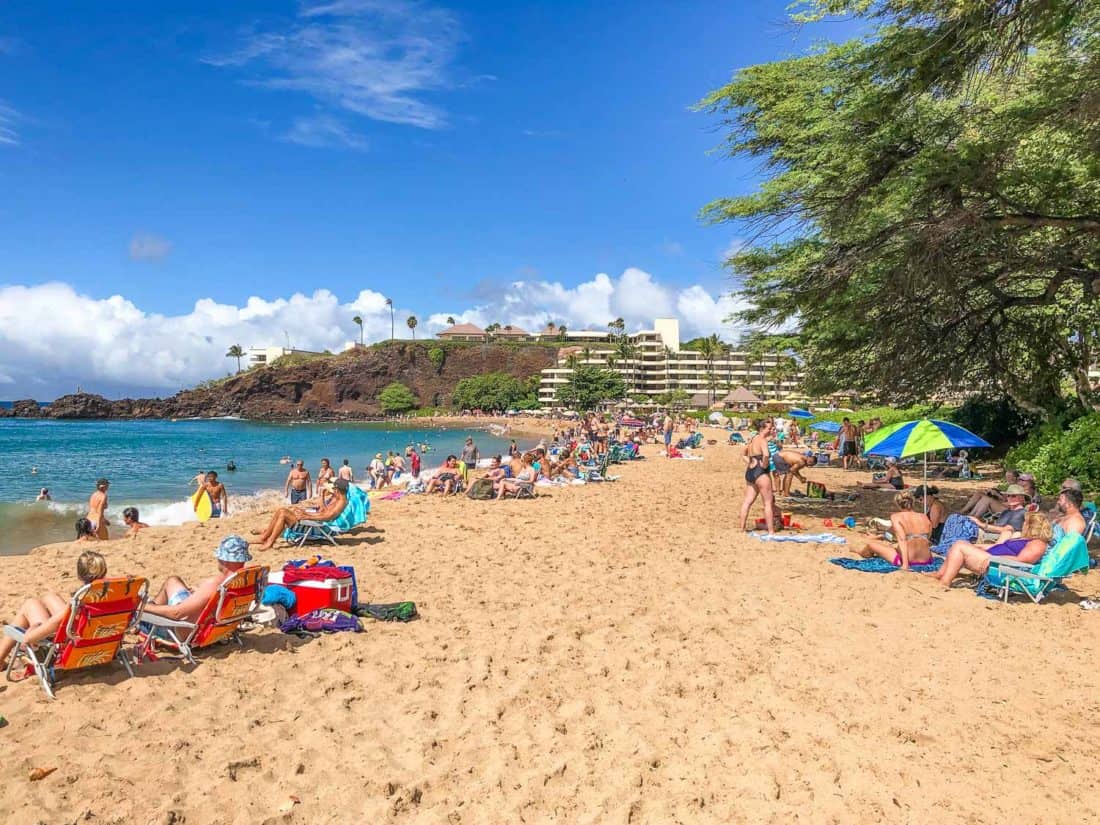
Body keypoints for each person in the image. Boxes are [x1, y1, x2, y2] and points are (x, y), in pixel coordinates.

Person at [0, 550, 109, 669]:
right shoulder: (117, 594)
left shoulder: (81, 602)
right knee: (50, 597)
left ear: (79, 575)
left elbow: (55, 624)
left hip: (69, 647)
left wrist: (28, 636)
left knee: (30, 604)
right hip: (100, 642)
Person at [143, 536, 254, 625]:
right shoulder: (248, 579)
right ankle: (150, 609)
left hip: (187, 631)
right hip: (221, 626)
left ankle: (145, 621)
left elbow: (176, 613)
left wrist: (142, 606)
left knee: (170, 583)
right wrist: (199, 592)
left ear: (224, 559)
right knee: (173, 580)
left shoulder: (215, 585)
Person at [930, 512, 1053, 588]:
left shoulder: (1038, 544)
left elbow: (1021, 561)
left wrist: (994, 559)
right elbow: (1000, 548)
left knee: (960, 546)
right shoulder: (1025, 539)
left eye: (1025, 523)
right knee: (960, 544)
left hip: (995, 566)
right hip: (990, 558)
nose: (1023, 525)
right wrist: (978, 547)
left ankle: (945, 582)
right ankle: (940, 574)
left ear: (1033, 525)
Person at [251, 478, 350, 550]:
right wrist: (322, 498)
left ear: (337, 489)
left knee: (283, 513)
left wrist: (306, 516)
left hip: (320, 528)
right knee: (281, 510)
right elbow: (324, 511)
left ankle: (270, 541)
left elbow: (328, 516)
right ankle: (264, 538)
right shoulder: (338, 499)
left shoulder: (341, 502)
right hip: (319, 523)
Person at [854, 490, 933, 570]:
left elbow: (902, 540)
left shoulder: (896, 517)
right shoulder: (924, 517)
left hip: (909, 560)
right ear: (912, 502)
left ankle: (859, 552)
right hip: (926, 559)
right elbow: (926, 538)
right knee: (893, 547)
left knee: (871, 545)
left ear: (898, 504)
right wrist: (880, 536)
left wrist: (905, 565)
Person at [739, 418, 777, 533]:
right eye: (769, 428)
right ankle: (771, 531)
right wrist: (765, 466)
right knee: (768, 503)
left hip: (750, 471)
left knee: (747, 501)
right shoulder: (762, 440)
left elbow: (743, 454)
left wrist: (749, 462)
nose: (771, 430)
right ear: (762, 428)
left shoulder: (753, 439)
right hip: (761, 472)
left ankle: (742, 528)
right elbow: (765, 455)